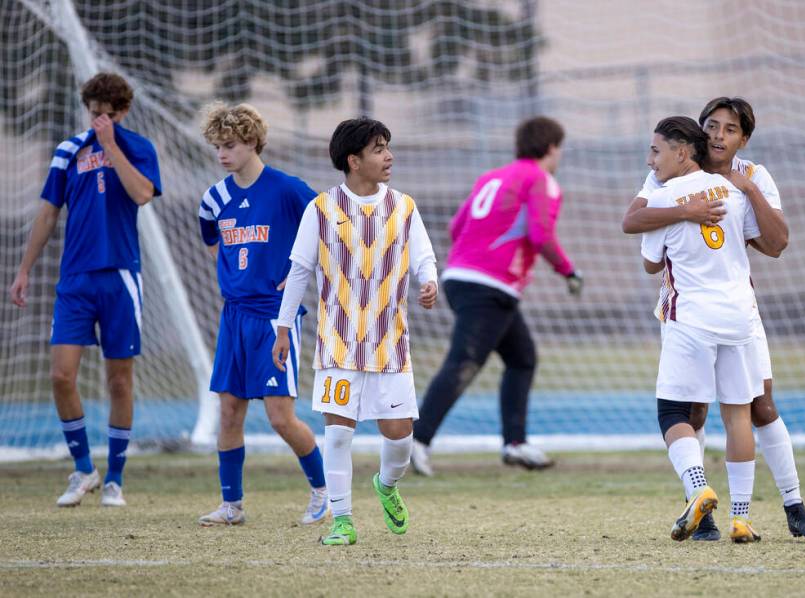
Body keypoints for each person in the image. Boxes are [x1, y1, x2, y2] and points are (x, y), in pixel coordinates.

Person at [623, 97, 805, 540]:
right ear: (695, 137)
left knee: (759, 406)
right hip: (718, 309)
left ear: (744, 139)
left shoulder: (751, 178)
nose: (717, 135)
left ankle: (793, 504)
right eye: (711, 125)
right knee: (698, 410)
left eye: (729, 129)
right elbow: (634, 216)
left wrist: (745, 188)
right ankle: (715, 516)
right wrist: (687, 211)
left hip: (723, 312)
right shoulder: (669, 170)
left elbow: (776, 244)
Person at [273, 117, 438, 546]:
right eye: (379, 148)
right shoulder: (322, 209)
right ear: (354, 160)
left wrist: (429, 280)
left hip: (389, 342)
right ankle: (342, 522)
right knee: (339, 432)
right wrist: (283, 327)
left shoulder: (403, 206)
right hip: (338, 341)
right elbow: (300, 270)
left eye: (387, 146)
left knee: (400, 436)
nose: (389, 156)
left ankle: (386, 485)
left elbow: (424, 255)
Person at [9, 73, 161, 508]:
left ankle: (114, 478)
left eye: (109, 116)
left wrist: (111, 146)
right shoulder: (68, 151)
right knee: (60, 375)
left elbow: (143, 194)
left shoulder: (137, 148)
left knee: (118, 379)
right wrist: (24, 270)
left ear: (123, 113)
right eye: (95, 115)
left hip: (120, 277)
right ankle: (83, 469)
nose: (100, 121)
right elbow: (48, 213)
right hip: (75, 280)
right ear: (86, 109)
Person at [410, 116, 582, 476]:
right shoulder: (542, 180)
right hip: (491, 285)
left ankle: (514, 443)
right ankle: (416, 440)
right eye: (559, 148)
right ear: (551, 148)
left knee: (522, 358)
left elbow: (456, 227)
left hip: (460, 277)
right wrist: (568, 270)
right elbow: (540, 234)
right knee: (463, 362)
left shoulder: (491, 176)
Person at [196, 102, 326, 527]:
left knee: (279, 416)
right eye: (217, 147)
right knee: (229, 410)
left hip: (275, 316)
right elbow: (213, 242)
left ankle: (324, 494)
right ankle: (231, 505)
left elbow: (328, 224)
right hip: (234, 317)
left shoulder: (287, 189)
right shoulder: (213, 199)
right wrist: (236, 276)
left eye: (229, 145)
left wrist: (299, 272)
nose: (221, 155)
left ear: (252, 141)